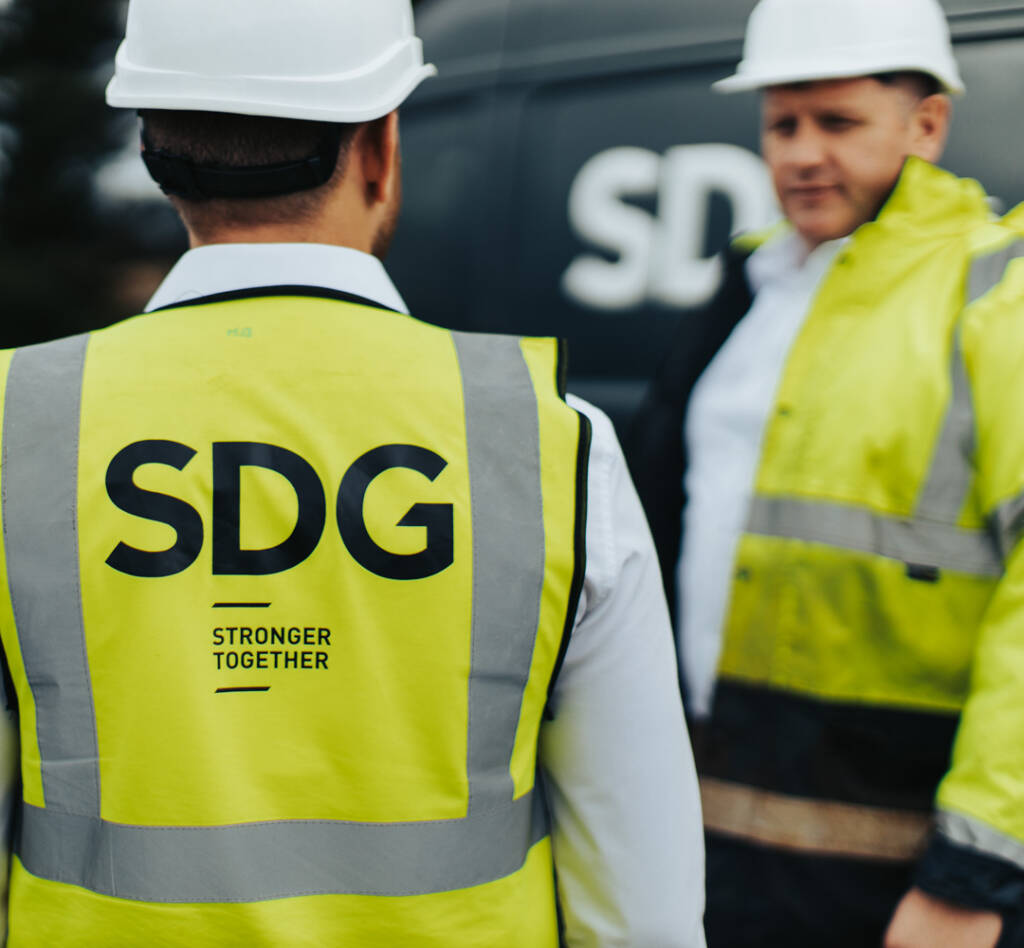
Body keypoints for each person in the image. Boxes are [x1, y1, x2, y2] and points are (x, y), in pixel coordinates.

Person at [0, 1, 707, 944]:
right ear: (380, 146)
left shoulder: (19, 425)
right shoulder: (550, 440)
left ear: (153, 151)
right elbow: (642, 906)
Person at [629, 0, 1024, 945]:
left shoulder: (995, 290)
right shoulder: (748, 286)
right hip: (718, 837)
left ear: (927, 124)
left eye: (838, 122)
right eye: (783, 125)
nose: (803, 154)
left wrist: (974, 876)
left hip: (899, 869)